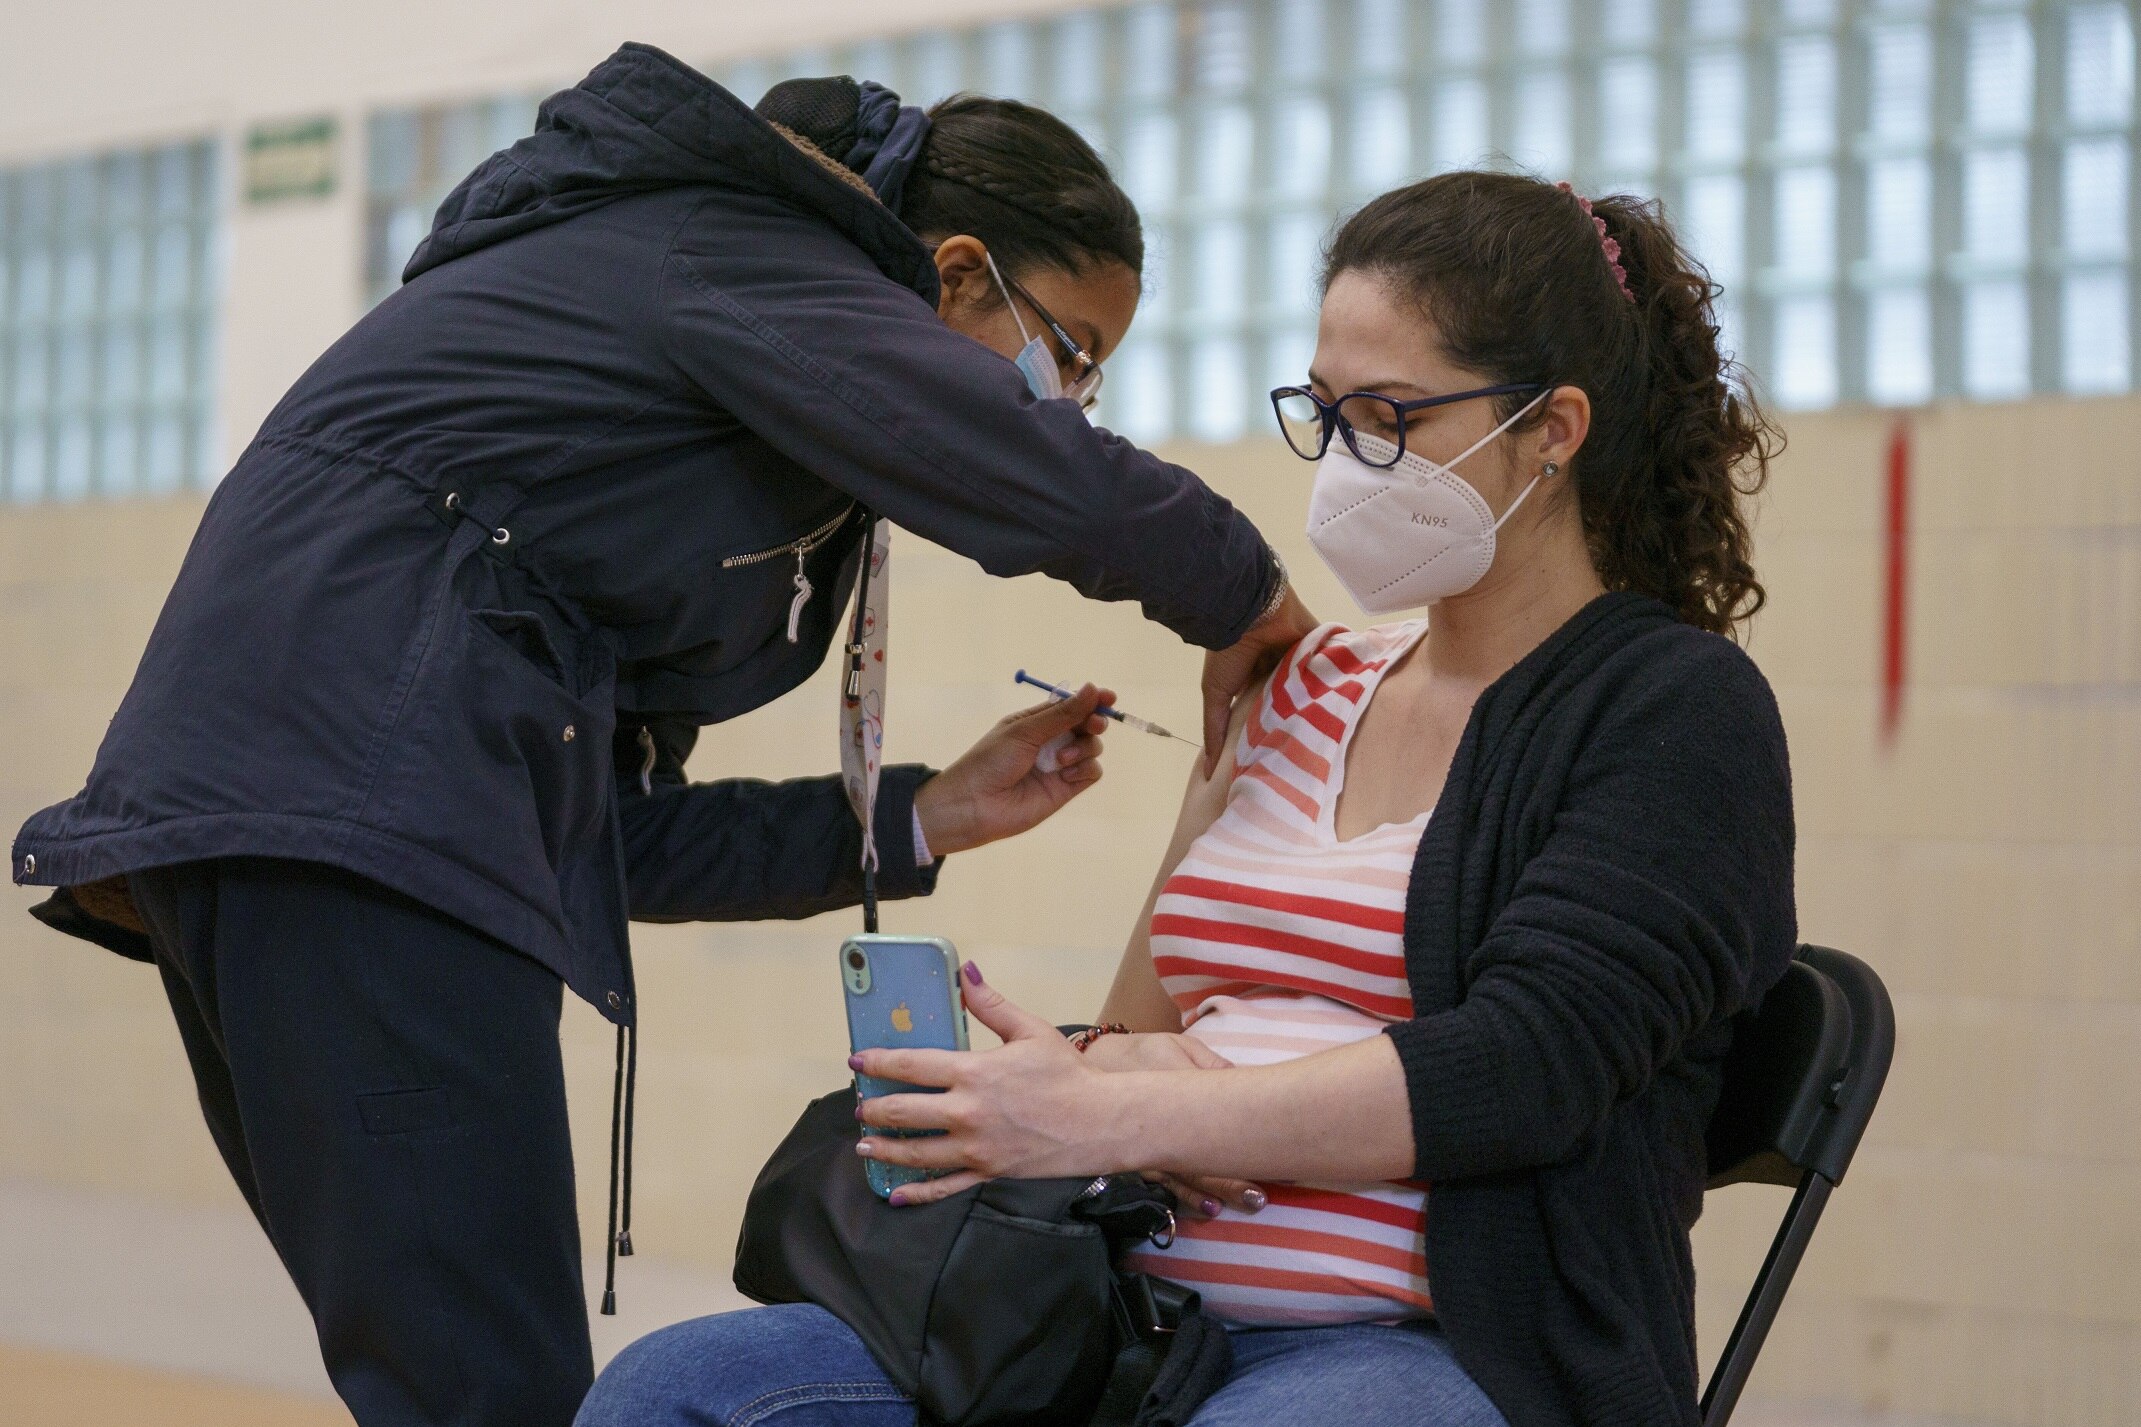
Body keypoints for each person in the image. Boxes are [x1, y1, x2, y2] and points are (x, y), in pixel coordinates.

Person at [7, 45, 1314, 1427]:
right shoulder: (735, 249)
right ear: (955, 273)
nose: (1070, 403)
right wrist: (1251, 600)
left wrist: (925, 815)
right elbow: (1026, 468)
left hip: (292, 828)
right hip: (346, 821)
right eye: (1070, 354)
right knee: (490, 1389)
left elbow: (601, 836)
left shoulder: (677, 441)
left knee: (451, 1378)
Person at [577, 171, 1798, 1427]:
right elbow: (1135, 1028)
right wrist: (1084, 1072)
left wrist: (1127, 1106)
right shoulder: (1300, 682)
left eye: (1386, 416)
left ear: (1553, 428)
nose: (1341, 463)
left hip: (1431, 1347)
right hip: (1125, 1328)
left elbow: (1525, 1066)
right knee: (673, 1392)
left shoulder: (1668, 711)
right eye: (1320, 413)